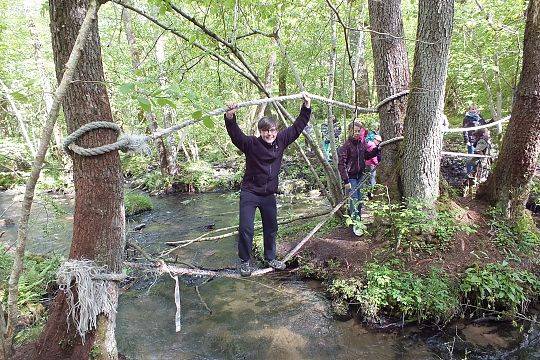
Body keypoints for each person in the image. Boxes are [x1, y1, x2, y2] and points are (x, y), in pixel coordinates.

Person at [224, 94, 311, 277]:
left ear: (276, 130)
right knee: (246, 228)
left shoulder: (281, 140)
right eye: (265, 131)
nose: (269, 134)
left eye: (272, 130)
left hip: (269, 194)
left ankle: (270, 257)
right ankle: (245, 262)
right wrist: (230, 117)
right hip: (250, 193)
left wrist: (306, 106)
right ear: (260, 132)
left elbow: (297, 126)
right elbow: (235, 135)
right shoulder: (251, 144)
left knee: (271, 228)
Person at [338, 121, 379, 235]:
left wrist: (377, 150)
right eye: (354, 131)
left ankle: (358, 221)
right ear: (350, 131)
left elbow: (366, 155)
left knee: (360, 200)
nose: (356, 133)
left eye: (358, 131)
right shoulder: (346, 146)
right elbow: (341, 164)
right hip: (350, 178)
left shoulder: (362, 143)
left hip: (360, 176)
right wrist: (346, 180)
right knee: (354, 200)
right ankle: (355, 225)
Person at [462, 105, 486, 174]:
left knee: (478, 156)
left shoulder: (479, 117)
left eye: (475, 109)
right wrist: (466, 140)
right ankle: (469, 173)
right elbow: (464, 130)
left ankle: (476, 173)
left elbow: (484, 125)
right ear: (469, 110)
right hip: (471, 140)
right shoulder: (466, 118)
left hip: (479, 141)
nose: (474, 110)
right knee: (471, 156)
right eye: (472, 109)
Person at [364, 132, 382, 198]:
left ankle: (369, 193)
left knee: (368, 179)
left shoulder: (369, 144)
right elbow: (373, 157)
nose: (378, 142)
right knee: (372, 179)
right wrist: (377, 163)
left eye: (379, 141)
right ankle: (371, 194)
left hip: (367, 164)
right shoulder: (373, 146)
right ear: (374, 139)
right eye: (378, 141)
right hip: (372, 165)